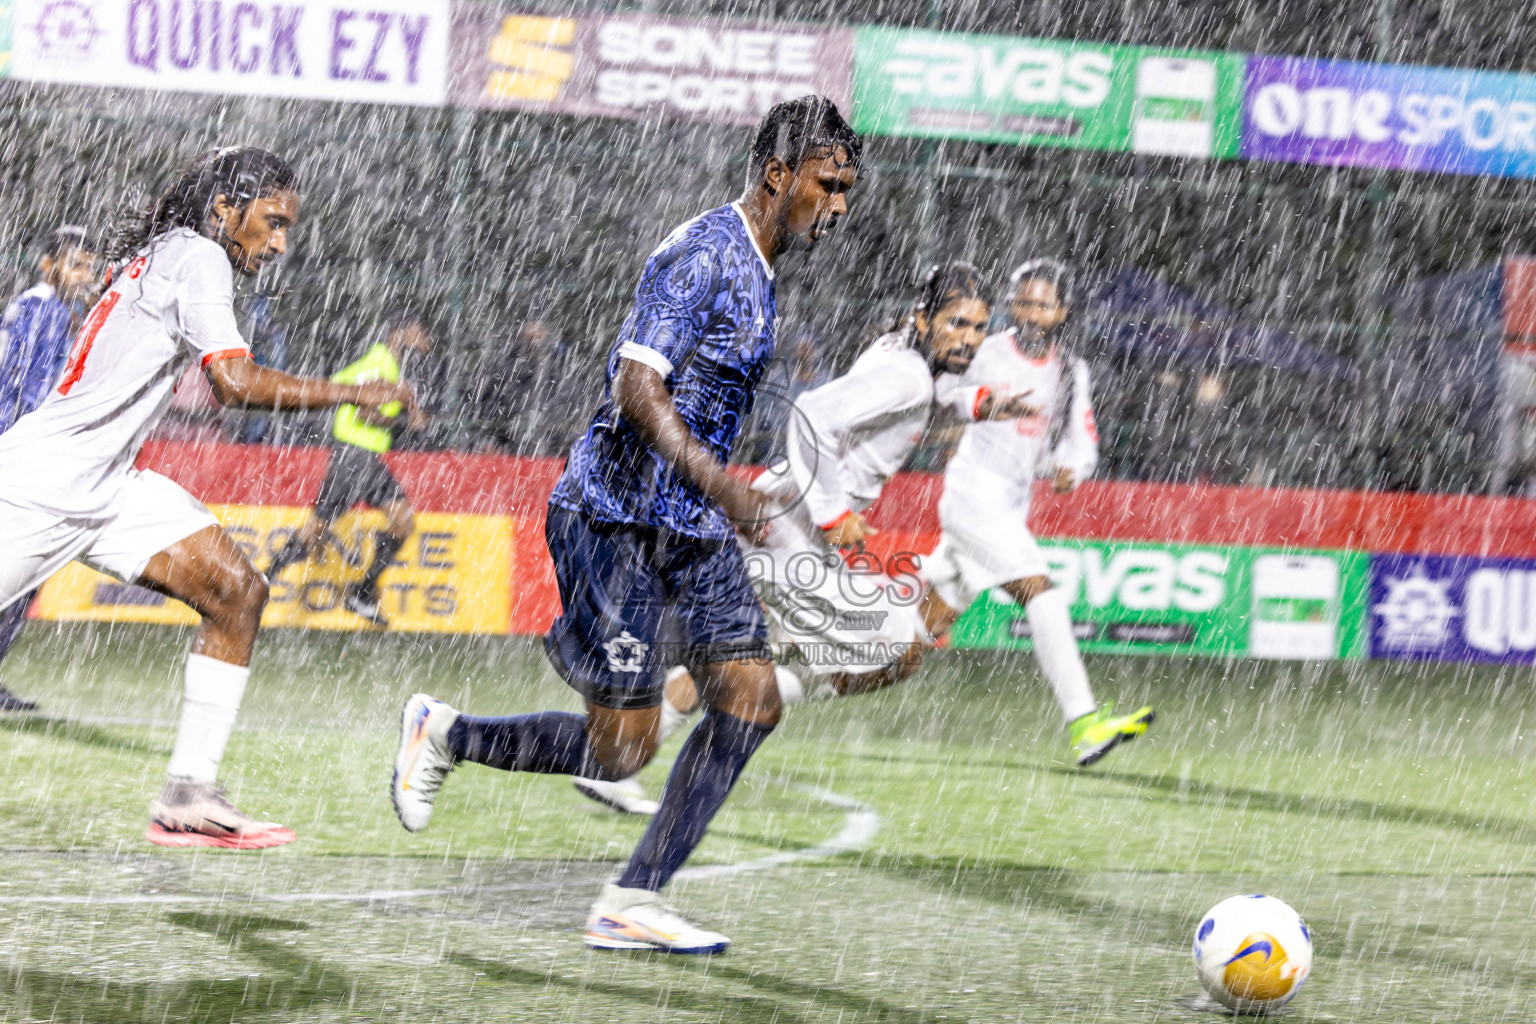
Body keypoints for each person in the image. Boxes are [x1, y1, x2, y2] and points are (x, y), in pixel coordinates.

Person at [390, 95, 862, 954]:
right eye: (828, 186)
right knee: (621, 753)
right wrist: (722, 485)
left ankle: (632, 899)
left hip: (691, 529)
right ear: (777, 174)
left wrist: (718, 498)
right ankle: (447, 734)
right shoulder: (704, 256)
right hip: (614, 523)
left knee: (751, 701)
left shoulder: (761, 268)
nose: (837, 208)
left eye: (846, 191)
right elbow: (636, 390)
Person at [0, 146, 414, 848]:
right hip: (38, 485)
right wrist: (354, 390)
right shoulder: (198, 256)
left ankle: (189, 796)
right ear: (226, 210)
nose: (280, 242)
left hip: (106, 486)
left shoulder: (172, 252)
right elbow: (232, 381)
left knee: (236, 590)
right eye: (273, 222)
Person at [576, 262, 1017, 814]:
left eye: (979, 327)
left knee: (760, 651)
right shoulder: (906, 374)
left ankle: (616, 760)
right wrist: (834, 515)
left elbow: (924, 397)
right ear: (923, 319)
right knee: (897, 651)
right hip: (792, 531)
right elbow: (812, 413)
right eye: (957, 323)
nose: (970, 338)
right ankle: (686, 741)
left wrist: (977, 404)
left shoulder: (904, 357)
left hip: (787, 523)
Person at [925, 258, 1155, 766]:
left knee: (903, 645)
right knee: (1041, 593)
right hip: (970, 498)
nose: (1031, 313)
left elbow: (1081, 438)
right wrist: (980, 401)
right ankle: (1085, 724)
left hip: (1008, 509)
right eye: (1023, 302)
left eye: (1042, 305)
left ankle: (788, 681)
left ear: (1062, 312)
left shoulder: (1072, 371)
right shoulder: (984, 352)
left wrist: (1072, 467)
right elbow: (939, 394)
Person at [263, 311, 434, 627]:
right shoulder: (379, 365)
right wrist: (404, 419)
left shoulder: (389, 366)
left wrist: (406, 407)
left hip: (368, 460)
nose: (428, 341)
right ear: (405, 331)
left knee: (403, 522)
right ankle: (259, 582)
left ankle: (362, 592)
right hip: (353, 457)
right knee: (313, 532)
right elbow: (362, 415)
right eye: (423, 332)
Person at [0, 225, 99, 712]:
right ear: (48, 265)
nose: (86, 276)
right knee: (20, 573)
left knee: (19, 574)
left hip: (15, 452)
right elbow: (29, 394)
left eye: (90, 267)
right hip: (21, 458)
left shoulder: (31, 307)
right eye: (76, 265)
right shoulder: (47, 311)